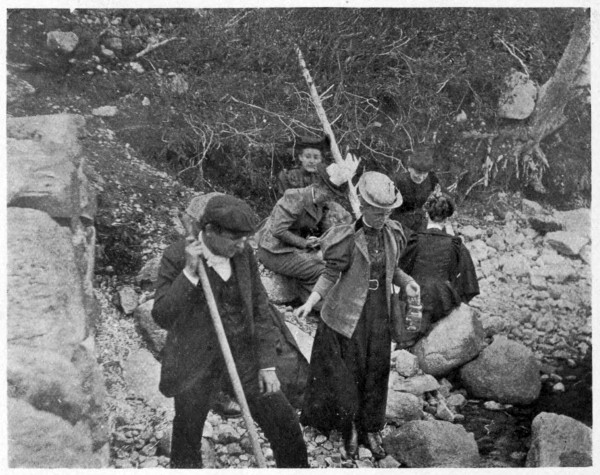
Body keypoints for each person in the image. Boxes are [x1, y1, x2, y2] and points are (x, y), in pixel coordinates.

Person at [152, 194, 308, 468]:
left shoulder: (243, 254)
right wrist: (189, 273)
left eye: (247, 238)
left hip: (245, 358)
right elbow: (162, 315)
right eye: (236, 239)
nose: (243, 245)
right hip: (196, 364)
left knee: (286, 426)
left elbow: (260, 307)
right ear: (210, 231)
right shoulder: (177, 256)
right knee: (187, 439)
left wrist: (268, 365)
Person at [294, 171, 420, 460]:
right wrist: (310, 301)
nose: (382, 217)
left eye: (387, 211)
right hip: (348, 312)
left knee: (376, 370)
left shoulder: (393, 233)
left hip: (379, 310)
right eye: (377, 212)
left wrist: (407, 282)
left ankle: (370, 428)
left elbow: (393, 270)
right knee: (348, 373)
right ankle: (349, 426)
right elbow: (330, 273)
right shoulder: (346, 238)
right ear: (363, 206)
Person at [257, 160, 355, 304]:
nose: (330, 197)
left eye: (333, 194)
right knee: (321, 271)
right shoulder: (296, 197)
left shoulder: (321, 204)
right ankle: (317, 306)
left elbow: (327, 228)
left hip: (292, 249)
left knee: (330, 264)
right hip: (274, 251)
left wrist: (322, 241)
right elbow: (278, 230)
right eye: (329, 192)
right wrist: (304, 243)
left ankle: (309, 298)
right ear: (318, 186)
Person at [400, 191, 480, 336]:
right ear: (446, 219)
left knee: (411, 329)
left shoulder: (415, 240)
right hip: (442, 301)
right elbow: (469, 280)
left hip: (414, 299)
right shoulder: (455, 244)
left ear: (427, 215)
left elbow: (401, 269)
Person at [390, 145, 441, 232]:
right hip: (398, 222)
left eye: (425, 173)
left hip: (419, 220)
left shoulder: (432, 179)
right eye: (418, 172)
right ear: (409, 168)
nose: (421, 177)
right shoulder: (398, 181)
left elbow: (439, 194)